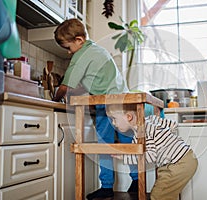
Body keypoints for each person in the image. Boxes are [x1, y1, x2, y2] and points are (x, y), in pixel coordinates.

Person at [52, 18, 138, 199]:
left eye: (68, 48)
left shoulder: (80, 55)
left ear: (79, 41)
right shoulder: (97, 50)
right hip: (124, 101)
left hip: (106, 104)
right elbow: (91, 82)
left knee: (103, 144)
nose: (69, 53)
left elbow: (65, 86)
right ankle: (137, 181)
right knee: (128, 143)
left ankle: (106, 186)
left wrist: (56, 98)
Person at [106, 104, 198, 200]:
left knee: (158, 195)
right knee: (166, 194)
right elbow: (173, 125)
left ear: (129, 117)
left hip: (180, 162)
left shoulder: (143, 131)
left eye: (114, 118)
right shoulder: (151, 119)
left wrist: (124, 157)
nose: (113, 123)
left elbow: (150, 156)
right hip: (185, 157)